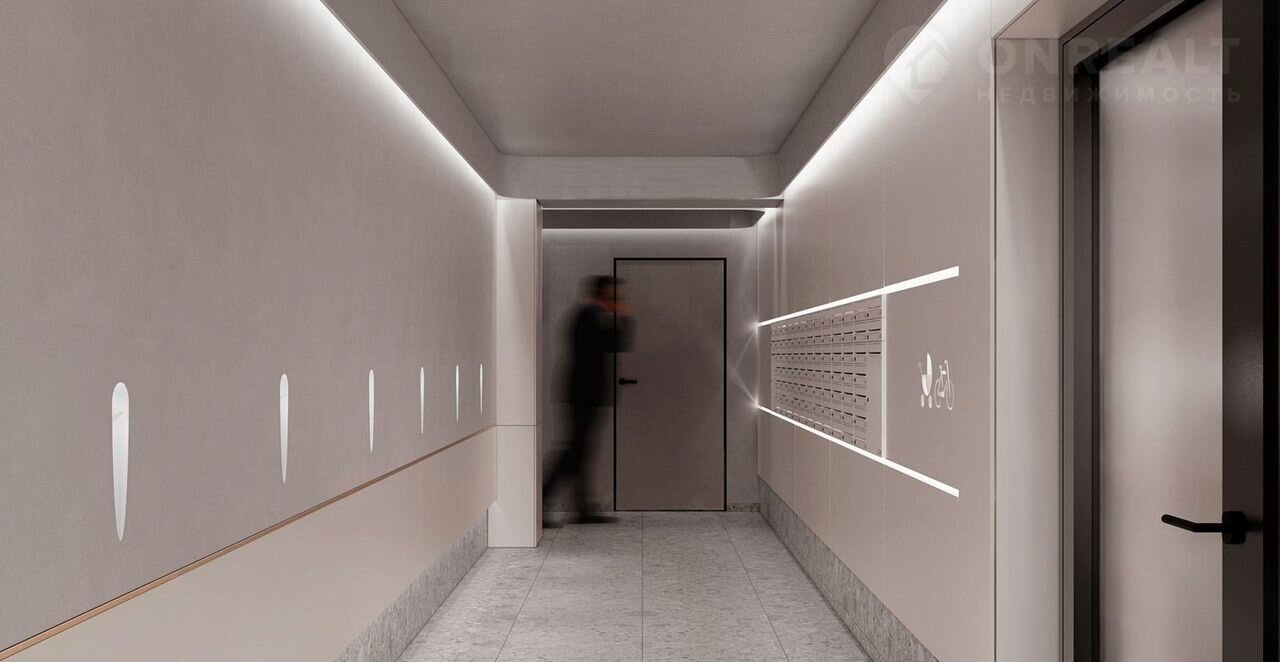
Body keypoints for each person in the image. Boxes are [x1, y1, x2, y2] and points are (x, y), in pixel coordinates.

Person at [544, 275, 634, 524]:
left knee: (580, 451)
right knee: (574, 452)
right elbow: (616, 344)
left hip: (585, 395)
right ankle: (540, 501)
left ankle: (581, 507)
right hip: (583, 395)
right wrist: (624, 318)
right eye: (614, 295)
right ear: (603, 294)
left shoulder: (591, 316)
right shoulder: (587, 317)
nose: (618, 300)